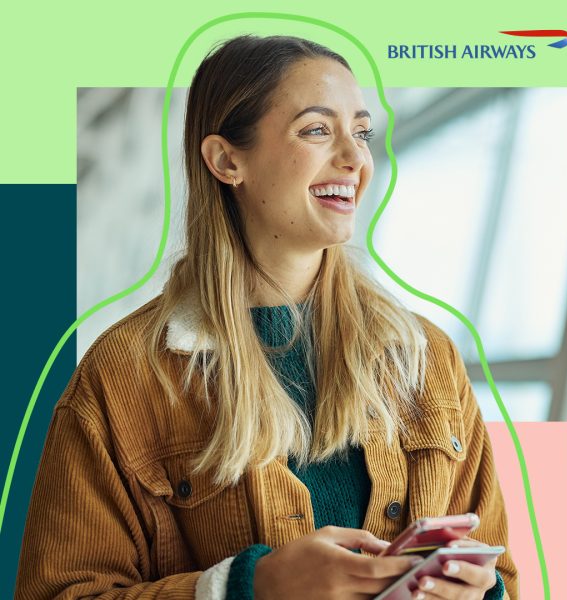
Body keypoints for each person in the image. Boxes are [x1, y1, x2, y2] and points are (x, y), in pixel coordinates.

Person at [14, 34, 518, 600]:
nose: (355, 160)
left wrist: (481, 591)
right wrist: (248, 588)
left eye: (361, 132)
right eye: (317, 130)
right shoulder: (123, 375)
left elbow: (504, 574)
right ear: (227, 161)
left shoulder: (428, 358)